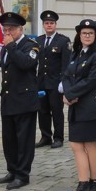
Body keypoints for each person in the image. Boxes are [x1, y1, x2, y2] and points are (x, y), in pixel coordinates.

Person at [61, 19, 96, 191]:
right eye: (84, 33)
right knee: (77, 144)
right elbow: (66, 75)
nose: (87, 36)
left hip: (90, 104)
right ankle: (88, 183)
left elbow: (93, 80)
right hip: (76, 104)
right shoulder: (77, 54)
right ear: (79, 36)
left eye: (91, 33)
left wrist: (71, 93)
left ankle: (89, 184)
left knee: (88, 144)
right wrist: (67, 93)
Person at [0, 11, 40, 189]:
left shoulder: (31, 46)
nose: (8, 33)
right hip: (8, 98)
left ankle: (22, 174)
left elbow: (26, 64)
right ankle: (12, 169)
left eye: (11, 30)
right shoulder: (8, 47)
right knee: (9, 139)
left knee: (24, 140)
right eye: (5, 30)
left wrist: (11, 47)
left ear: (21, 29)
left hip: (24, 100)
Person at [36, 10, 69, 148]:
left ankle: (58, 137)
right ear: (43, 25)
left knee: (56, 110)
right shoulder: (39, 40)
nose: (49, 25)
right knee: (42, 111)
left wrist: (64, 81)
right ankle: (45, 136)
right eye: (46, 23)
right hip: (41, 82)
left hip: (56, 82)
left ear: (55, 25)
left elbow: (66, 63)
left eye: (51, 23)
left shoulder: (63, 41)